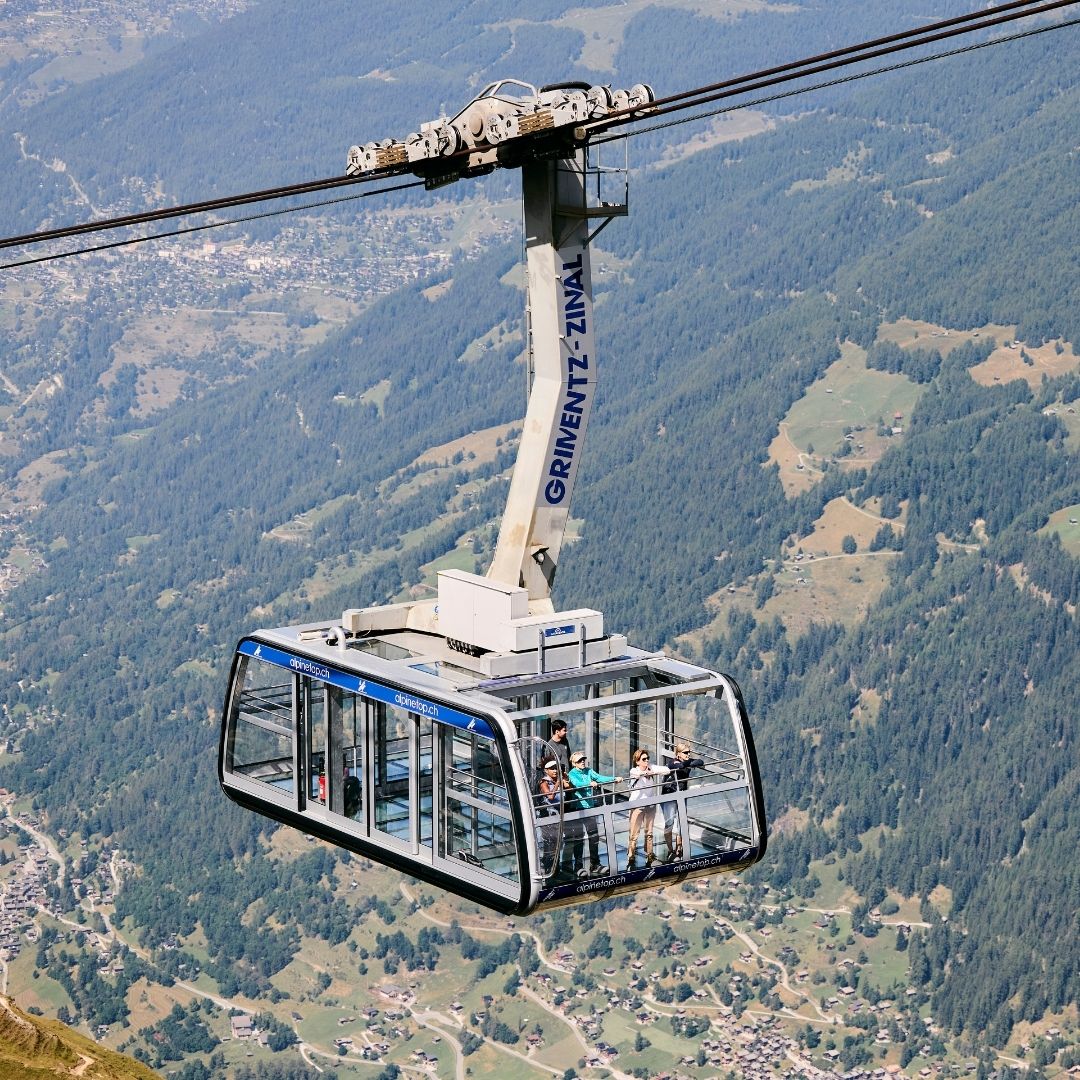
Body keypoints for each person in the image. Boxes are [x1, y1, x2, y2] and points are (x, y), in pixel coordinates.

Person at [567, 751, 622, 877]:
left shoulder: (588, 771)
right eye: (580, 760)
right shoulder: (572, 773)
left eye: (583, 759)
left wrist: (614, 779)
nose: (582, 761)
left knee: (594, 836)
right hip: (578, 809)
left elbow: (599, 778)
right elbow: (576, 784)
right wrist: (589, 783)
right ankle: (578, 866)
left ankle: (595, 864)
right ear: (574, 763)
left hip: (590, 808)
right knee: (578, 838)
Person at [626, 748, 671, 870]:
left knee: (649, 832)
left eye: (647, 758)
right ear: (637, 761)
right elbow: (636, 774)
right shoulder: (634, 770)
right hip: (637, 806)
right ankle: (631, 856)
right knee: (634, 833)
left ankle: (649, 855)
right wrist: (646, 773)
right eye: (643, 759)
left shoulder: (650, 767)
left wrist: (653, 772)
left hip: (650, 805)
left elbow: (667, 770)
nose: (646, 761)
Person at [660, 742, 705, 862]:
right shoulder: (672, 762)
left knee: (682, 822)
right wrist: (689, 763)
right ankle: (670, 851)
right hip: (669, 795)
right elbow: (679, 766)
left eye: (689, 752)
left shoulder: (686, 760)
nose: (688, 754)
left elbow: (700, 761)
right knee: (669, 823)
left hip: (682, 795)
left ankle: (679, 849)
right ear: (678, 754)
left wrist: (690, 762)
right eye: (685, 752)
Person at [536, 758, 566, 877]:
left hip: (558, 815)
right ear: (546, 770)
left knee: (558, 842)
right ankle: (548, 867)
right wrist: (558, 783)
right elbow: (550, 797)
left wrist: (566, 779)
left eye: (556, 768)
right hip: (547, 816)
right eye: (552, 769)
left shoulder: (559, 780)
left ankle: (556, 868)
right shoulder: (544, 782)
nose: (555, 771)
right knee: (550, 842)